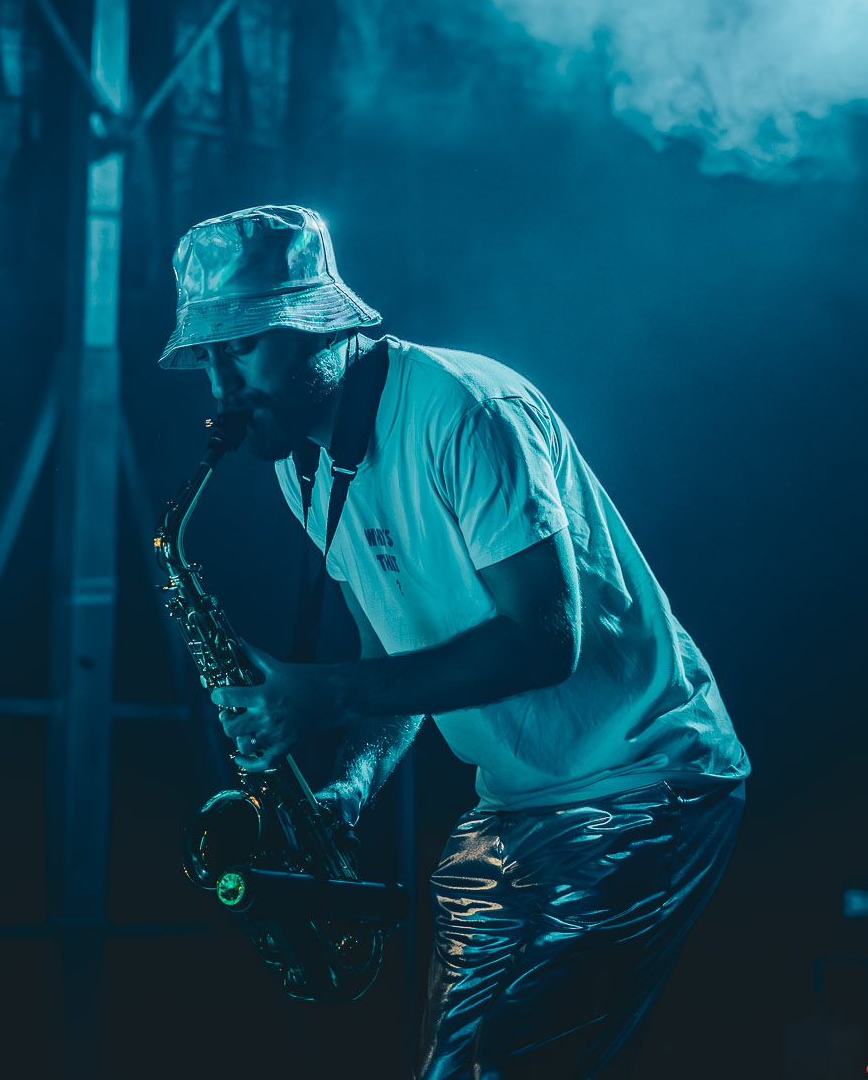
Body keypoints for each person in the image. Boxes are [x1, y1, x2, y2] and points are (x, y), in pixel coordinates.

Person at [160, 205, 750, 1079]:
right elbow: (388, 645)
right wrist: (350, 786)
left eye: (240, 347)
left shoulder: (464, 409)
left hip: (645, 779)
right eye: (205, 356)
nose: (220, 384)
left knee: (509, 1068)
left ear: (318, 324)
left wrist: (327, 693)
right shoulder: (298, 464)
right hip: (513, 803)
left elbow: (544, 641)